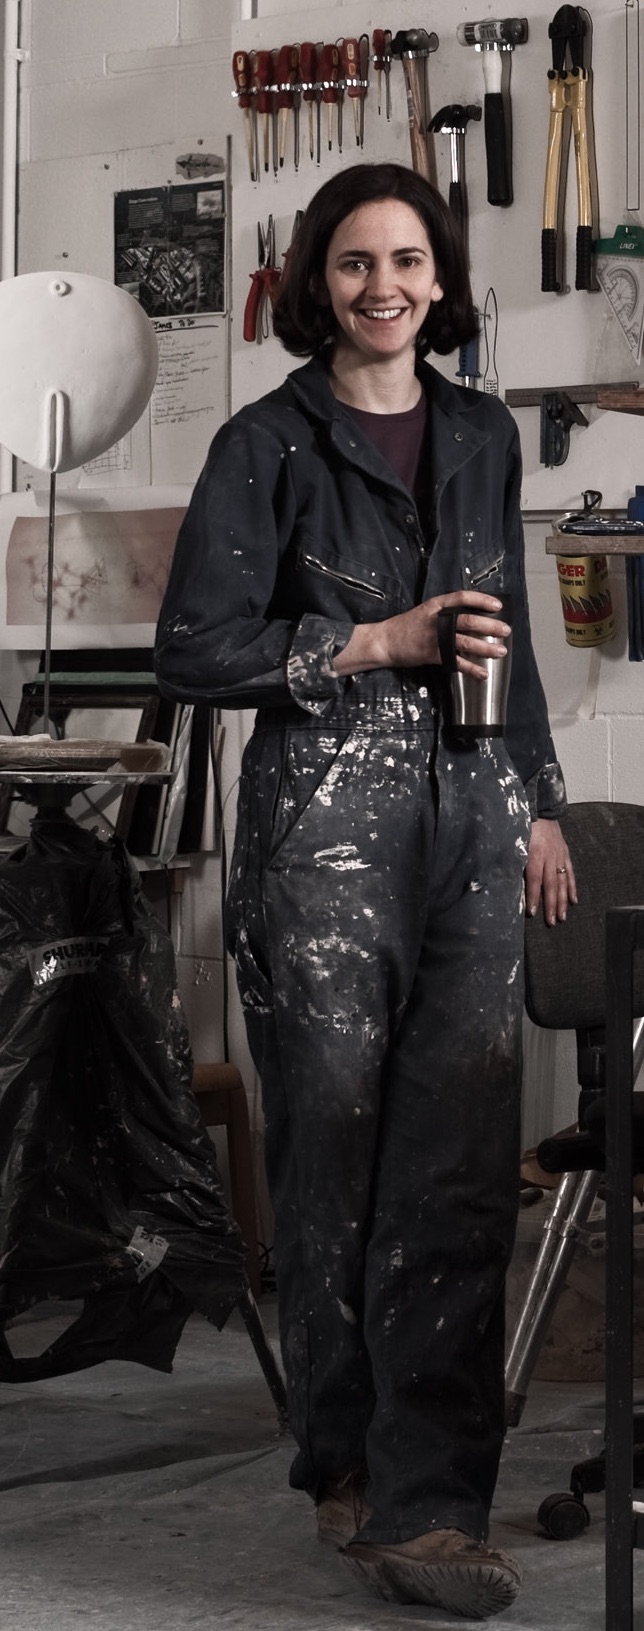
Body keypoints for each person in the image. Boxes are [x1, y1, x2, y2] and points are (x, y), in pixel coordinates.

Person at [155, 162, 576, 1620]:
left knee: (458, 1164)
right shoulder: (264, 445)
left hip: (469, 822)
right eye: (351, 262)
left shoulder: (478, 434)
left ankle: (432, 1501)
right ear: (312, 285)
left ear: (443, 277)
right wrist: (362, 643)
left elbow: (504, 627)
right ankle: (343, 1452)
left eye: (406, 259)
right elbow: (193, 650)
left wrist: (538, 802)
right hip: (322, 831)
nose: (382, 285)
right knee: (333, 1160)